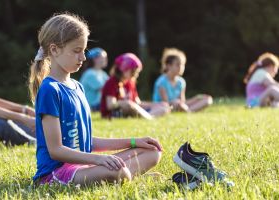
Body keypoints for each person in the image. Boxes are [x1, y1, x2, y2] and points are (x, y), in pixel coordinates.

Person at [28, 13, 162, 186]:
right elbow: (56, 150)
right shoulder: (49, 90)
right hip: (57, 173)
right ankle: (125, 175)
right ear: (54, 50)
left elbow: (87, 142)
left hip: (84, 165)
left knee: (152, 151)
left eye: (83, 51)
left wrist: (135, 141)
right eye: (76, 51)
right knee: (119, 171)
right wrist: (98, 160)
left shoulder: (78, 87)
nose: (83, 58)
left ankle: (123, 175)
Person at [100, 53, 170, 119]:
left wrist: (156, 105)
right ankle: (149, 117)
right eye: (133, 71)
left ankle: (148, 116)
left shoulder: (130, 82)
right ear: (124, 69)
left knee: (164, 106)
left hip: (133, 110)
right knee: (129, 105)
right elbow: (110, 105)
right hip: (113, 114)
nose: (136, 74)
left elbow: (137, 103)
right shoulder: (112, 82)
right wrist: (126, 103)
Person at [152, 48, 213, 112]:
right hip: (164, 108)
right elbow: (166, 104)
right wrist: (177, 104)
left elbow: (183, 102)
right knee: (176, 103)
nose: (181, 67)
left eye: (182, 64)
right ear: (168, 66)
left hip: (179, 106)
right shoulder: (161, 82)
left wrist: (196, 98)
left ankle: (189, 111)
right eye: (178, 64)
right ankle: (190, 111)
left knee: (207, 99)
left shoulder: (181, 82)